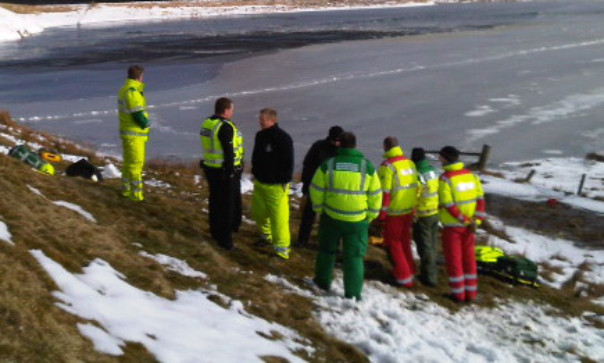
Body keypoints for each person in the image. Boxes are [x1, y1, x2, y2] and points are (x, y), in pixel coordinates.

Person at [310, 132, 382, 300]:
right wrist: (370, 216)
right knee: (354, 258)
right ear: (355, 146)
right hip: (357, 221)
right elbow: (376, 194)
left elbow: (316, 189)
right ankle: (353, 294)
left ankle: (322, 282)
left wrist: (320, 209)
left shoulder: (329, 164)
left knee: (327, 252)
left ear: (339, 145)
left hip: (331, 217)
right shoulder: (367, 167)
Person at [438, 146, 486, 302]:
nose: (439, 160)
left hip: (453, 227)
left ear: (445, 158)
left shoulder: (446, 178)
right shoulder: (471, 176)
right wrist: (476, 221)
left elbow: (447, 203)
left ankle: (458, 294)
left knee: (455, 261)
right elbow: (480, 199)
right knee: (469, 260)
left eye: (440, 157)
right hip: (470, 228)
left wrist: (463, 220)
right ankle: (471, 293)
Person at [200, 97, 244, 251]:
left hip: (210, 168)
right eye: (231, 110)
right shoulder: (225, 127)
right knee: (227, 206)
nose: (232, 112)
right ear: (226, 111)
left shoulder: (207, 123)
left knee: (215, 201)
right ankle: (225, 240)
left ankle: (215, 231)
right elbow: (228, 152)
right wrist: (231, 172)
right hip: (223, 172)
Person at [250, 108, 294, 260]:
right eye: (260, 118)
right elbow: (256, 155)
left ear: (271, 120)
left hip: (276, 186)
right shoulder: (260, 136)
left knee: (279, 219)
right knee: (258, 213)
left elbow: (288, 162)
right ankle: (265, 236)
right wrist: (255, 172)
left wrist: (283, 180)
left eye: (262, 119)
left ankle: (282, 250)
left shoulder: (283, 138)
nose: (260, 121)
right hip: (261, 182)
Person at [377, 137, 419, 287]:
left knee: (394, 244)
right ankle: (410, 270)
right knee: (405, 242)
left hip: (394, 212)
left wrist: (381, 214)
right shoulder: (409, 163)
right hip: (408, 210)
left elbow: (385, 193)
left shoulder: (387, 166)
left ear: (385, 147)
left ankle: (403, 277)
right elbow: (416, 187)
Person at [296, 125, 344, 247]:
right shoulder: (319, 147)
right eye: (336, 140)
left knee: (330, 218)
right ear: (331, 138)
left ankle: (329, 242)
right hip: (315, 187)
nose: (338, 143)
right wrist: (305, 187)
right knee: (308, 216)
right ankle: (302, 240)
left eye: (340, 140)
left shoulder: (341, 151)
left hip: (332, 190)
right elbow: (307, 165)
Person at [118, 64, 150, 202]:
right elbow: (138, 115)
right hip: (134, 134)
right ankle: (136, 195)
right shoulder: (132, 92)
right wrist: (146, 123)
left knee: (128, 163)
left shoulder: (125, 90)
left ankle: (126, 189)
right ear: (140, 77)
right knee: (135, 165)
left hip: (129, 132)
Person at [411, 147, 440, 287]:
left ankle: (429, 278)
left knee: (425, 246)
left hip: (423, 214)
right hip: (434, 212)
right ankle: (432, 271)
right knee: (433, 244)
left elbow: (414, 195)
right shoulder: (432, 171)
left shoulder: (417, 174)